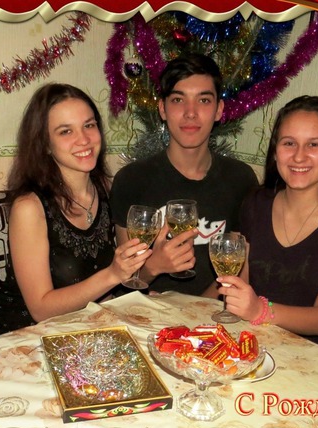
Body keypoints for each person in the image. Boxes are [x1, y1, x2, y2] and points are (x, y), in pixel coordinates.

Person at [0, 83, 150, 343]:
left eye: (89, 125)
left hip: (75, 335)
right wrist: (113, 274)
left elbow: (100, 291)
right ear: (46, 145)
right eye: (66, 131)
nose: (83, 139)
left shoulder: (105, 190)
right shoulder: (30, 207)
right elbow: (40, 309)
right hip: (15, 337)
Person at [217, 95, 318, 351]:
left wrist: (260, 310)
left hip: (307, 358)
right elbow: (238, 284)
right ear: (275, 150)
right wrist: (175, 304)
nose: (299, 157)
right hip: (246, 346)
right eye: (289, 143)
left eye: (313, 144)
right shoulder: (255, 203)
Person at [110, 53, 258, 297]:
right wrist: (153, 267)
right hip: (144, 313)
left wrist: (192, 314)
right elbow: (124, 283)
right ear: (162, 109)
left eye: (204, 100)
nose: (191, 112)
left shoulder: (240, 179)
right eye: (178, 100)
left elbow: (237, 275)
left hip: (211, 314)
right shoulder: (131, 180)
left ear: (219, 110)